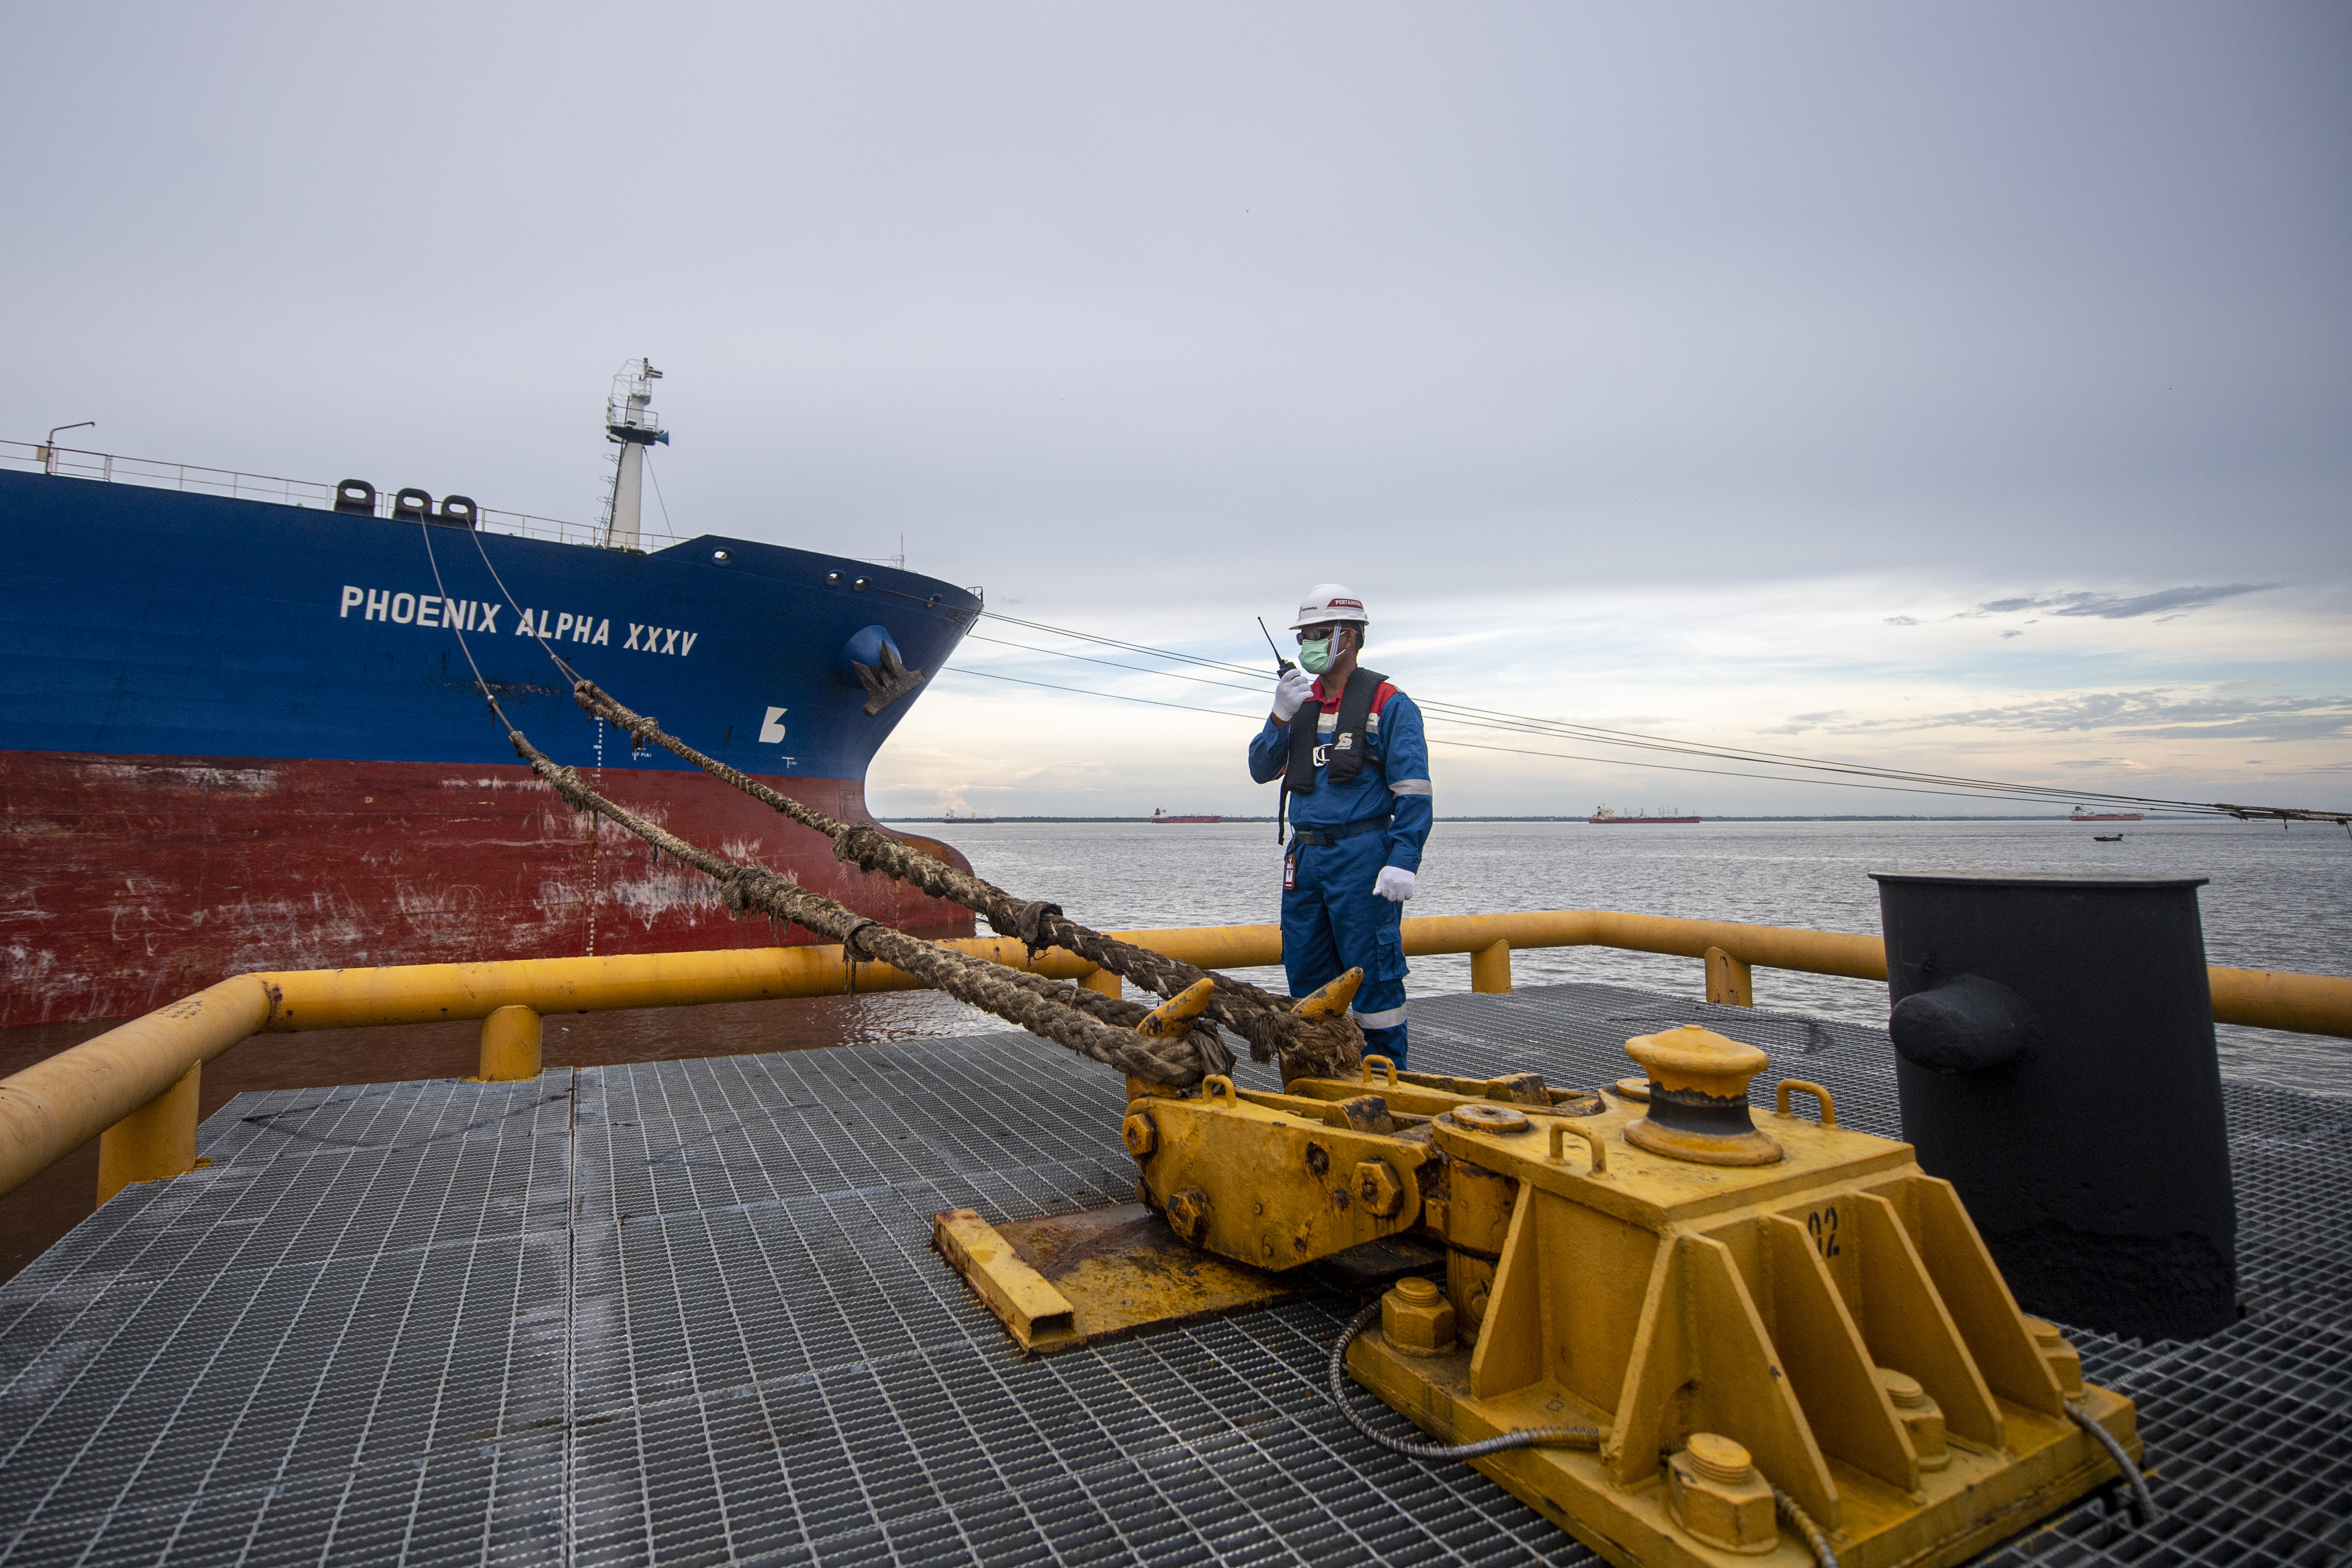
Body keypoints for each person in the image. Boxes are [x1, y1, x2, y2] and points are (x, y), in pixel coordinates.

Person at [1247, 584, 1432, 1069]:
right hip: (1304, 861)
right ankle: (1313, 1081)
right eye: (1304, 634)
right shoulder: (1296, 703)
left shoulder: (1390, 704)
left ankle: (1387, 1083)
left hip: (1363, 860)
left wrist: (1402, 859)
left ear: (1347, 637)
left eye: (1318, 633)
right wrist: (1278, 716)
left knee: (1375, 983)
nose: (1308, 643)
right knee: (1307, 983)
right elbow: (1260, 768)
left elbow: (1413, 791)